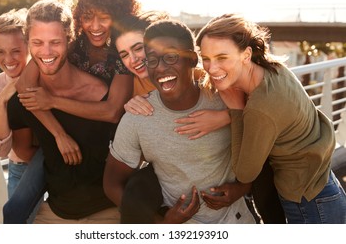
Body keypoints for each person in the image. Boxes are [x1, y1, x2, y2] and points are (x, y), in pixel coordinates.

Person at [3, 0, 141, 223]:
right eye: (87, 16)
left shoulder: (121, 48)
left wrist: (53, 100)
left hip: (105, 141)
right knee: (14, 210)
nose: (95, 25)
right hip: (63, 134)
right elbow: (25, 87)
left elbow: (112, 111)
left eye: (104, 16)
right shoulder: (70, 41)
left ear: (118, 13)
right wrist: (58, 134)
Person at [195, 13, 346, 223]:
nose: (211, 68)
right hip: (323, 184)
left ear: (246, 55)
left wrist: (236, 111)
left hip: (308, 201)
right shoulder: (273, 68)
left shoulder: (261, 106)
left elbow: (245, 173)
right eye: (206, 58)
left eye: (222, 57)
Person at [103, 19, 256, 224]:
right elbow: (112, 183)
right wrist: (163, 224)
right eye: (153, 60)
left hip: (237, 220)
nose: (161, 68)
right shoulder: (136, 118)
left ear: (192, 59)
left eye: (171, 57)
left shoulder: (226, 99)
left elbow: (260, 146)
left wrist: (241, 189)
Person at [0, 9, 39, 198]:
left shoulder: (48, 77)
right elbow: (0, 151)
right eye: (0, 52)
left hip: (59, 166)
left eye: (15, 51)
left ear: (29, 45)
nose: (8, 60)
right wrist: (1, 101)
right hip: (20, 170)